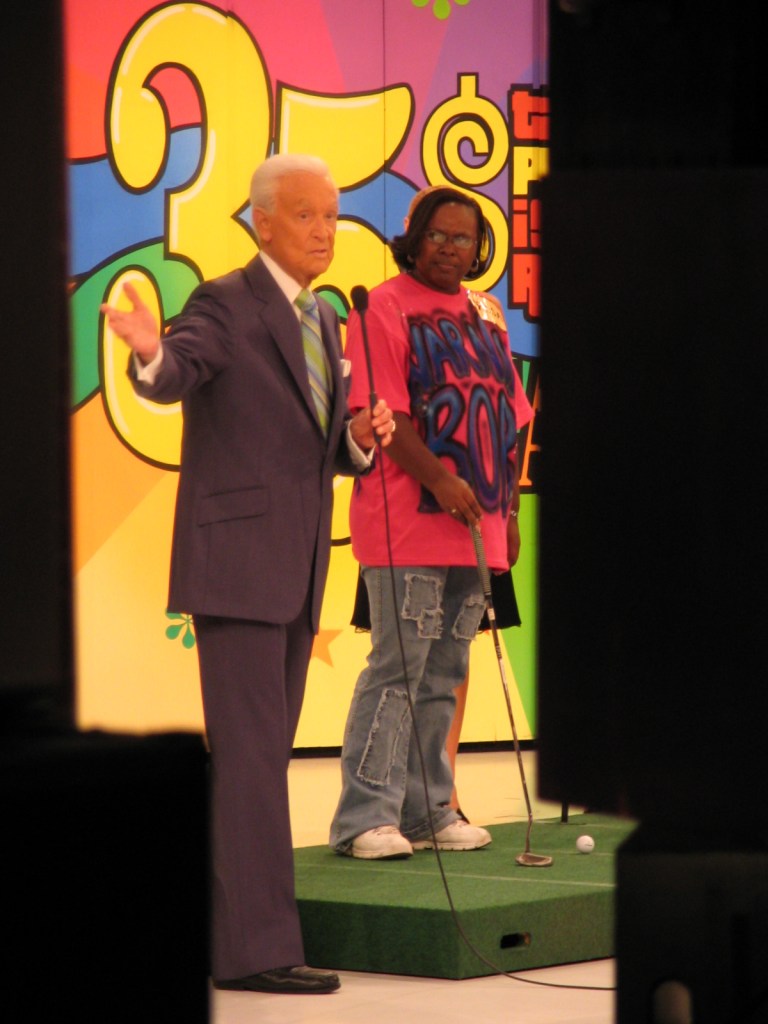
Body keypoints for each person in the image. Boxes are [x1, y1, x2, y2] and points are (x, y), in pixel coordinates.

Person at [100, 153, 394, 994]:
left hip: (298, 569)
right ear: (263, 221)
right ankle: (257, 951)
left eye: (333, 218)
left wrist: (364, 440)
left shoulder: (325, 318)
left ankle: (245, 939)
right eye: (308, 217)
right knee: (251, 762)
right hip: (236, 570)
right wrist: (151, 355)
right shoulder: (226, 302)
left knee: (262, 757)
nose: (326, 232)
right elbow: (175, 371)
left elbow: (327, 451)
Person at [330, 186, 533, 859]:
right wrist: (442, 480)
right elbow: (386, 416)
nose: (451, 248)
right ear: (413, 238)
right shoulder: (381, 307)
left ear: (480, 249)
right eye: (439, 235)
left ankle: (428, 809)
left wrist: (511, 508)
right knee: (398, 671)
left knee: (445, 672)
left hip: (477, 527)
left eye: (465, 238)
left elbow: (511, 416)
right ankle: (364, 817)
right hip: (407, 526)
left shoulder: (485, 316)